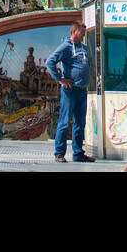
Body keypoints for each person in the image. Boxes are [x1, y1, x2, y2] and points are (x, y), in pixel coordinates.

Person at [45, 21, 94, 163]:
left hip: (82, 90)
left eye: (84, 33)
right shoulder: (66, 47)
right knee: (65, 122)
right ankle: (59, 153)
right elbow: (50, 62)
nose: (83, 35)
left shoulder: (83, 48)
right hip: (70, 91)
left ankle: (78, 153)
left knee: (80, 123)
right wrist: (60, 79)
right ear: (74, 32)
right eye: (81, 32)